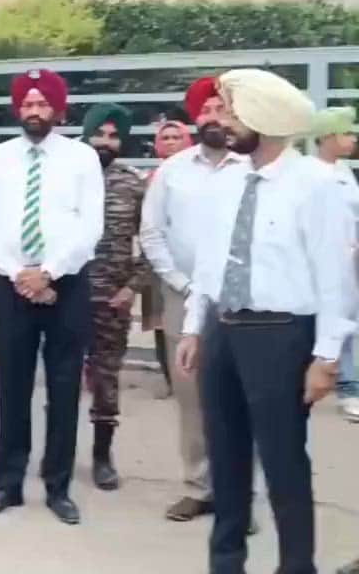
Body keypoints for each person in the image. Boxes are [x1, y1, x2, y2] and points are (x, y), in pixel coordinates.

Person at [175, 68, 352, 574]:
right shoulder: (227, 180)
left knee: (283, 461)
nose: (223, 122)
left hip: (280, 335)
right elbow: (210, 262)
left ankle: (297, 566)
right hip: (223, 332)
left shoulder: (315, 184)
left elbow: (334, 275)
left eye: (231, 112)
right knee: (225, 459)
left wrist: (326, 356)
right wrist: (193, 327)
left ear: (264, 118)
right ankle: (226, 562)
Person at [0, 68, 104, 525]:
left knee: (65, 387)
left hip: (66, 284)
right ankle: (8, 482)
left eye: (42, 103)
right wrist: (20, 274)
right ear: (17, 109)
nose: (34, 111)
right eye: (27, 104)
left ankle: (58, 486)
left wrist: (48, 272)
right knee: (13, 384)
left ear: (57, 109)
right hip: (10, 284)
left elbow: (90, 228)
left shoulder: (82, 159)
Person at [140, 76, 247, 524]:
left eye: (222, 110)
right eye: (206, 110)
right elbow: (152, 232)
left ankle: (239, 493)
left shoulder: (250, 168)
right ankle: (199, 487)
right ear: (194, 118)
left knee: (241, 396)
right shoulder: (173, 171)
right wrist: (181, 283)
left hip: (242, 300)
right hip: (183, 296)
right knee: (192, 397)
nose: (213, 118)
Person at [80, 103, 148, 491]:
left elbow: (153, 242)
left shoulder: (132, 183)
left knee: (106, 378)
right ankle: (57, 453)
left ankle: (102, 457)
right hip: (65, 297)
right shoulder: (66, 174)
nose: (106, 142)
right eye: (99, 134)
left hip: (111, 300)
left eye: (113, 136)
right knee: (59, 378)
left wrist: (131, 287)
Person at [311, 106, 359, 423]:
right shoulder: (309, 173)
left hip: (350, 260)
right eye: (347, 132)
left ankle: (349, 387)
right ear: (328, 136)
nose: (353, 138)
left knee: (351, 322)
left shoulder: (345, 172)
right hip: (320, 261)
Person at [142, 117, 193, 398]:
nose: (171, 143)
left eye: (177, 137)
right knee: (161, 322)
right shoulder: (150, 179)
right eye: (166, 138)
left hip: (189, 261)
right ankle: (172, 380)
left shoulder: (198, 174)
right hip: (157, 262)